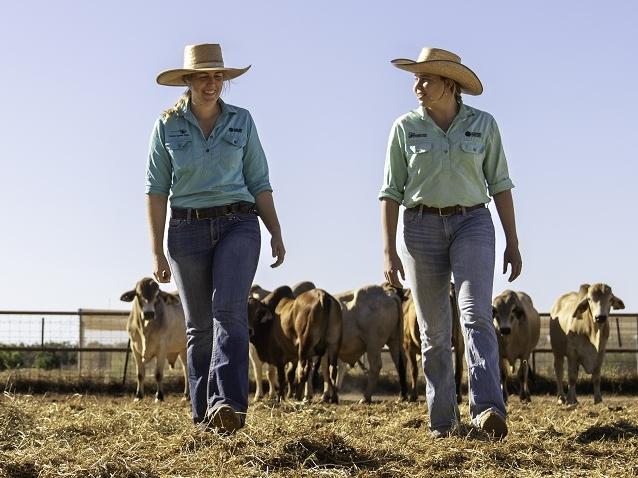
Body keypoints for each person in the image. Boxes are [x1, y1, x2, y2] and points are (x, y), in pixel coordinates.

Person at [379, 47, 521, 439]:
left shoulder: (484, 125)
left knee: (475, 315)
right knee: (435, 333)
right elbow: (390, 192)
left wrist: (513, 240)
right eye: (416, 78)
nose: (417, 86)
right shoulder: (404, 128)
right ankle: (443, 423)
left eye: (425, 79)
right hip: (419, 228)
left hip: (473, 223)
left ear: (449, 84)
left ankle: (488, 412)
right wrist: (388, 251)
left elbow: (502, 185)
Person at [146, 44, 285, 433]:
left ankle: (228, 406)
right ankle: (203, 415)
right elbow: (156, 191)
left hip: (238, 223)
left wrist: (275, 229)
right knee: (200, 326)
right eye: (203, 76)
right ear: (188, 80)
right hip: (185, 229)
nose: (212, 84)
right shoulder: (167, 126)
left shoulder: (242, 121)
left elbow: (259, 180)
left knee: (229, 310)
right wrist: (156, 251)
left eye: (218, 76)